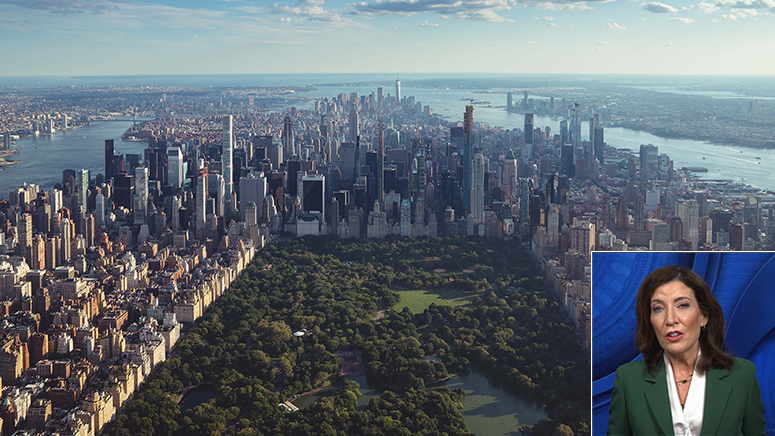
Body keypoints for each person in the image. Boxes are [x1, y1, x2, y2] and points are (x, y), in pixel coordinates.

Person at [607, 265, 766, 436]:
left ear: (704, 316)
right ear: (650, 322)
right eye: (658, 308)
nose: (670, 319)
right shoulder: (628, 380)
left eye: (682, 305)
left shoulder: (742, 375)